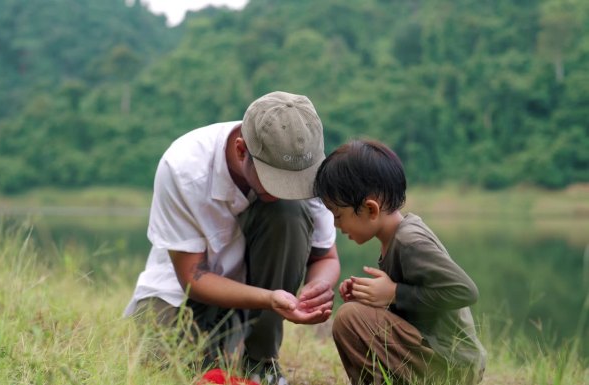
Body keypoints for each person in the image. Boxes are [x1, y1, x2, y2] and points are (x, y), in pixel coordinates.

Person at [123, 91, 340, 385]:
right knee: (166, 368)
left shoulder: (311, 170)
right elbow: (192, 277)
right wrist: (269, 299)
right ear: (241, 151)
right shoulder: (183, 166)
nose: (287, 190)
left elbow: (325, 257)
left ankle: (260, 360)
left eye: (296, 182)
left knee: (288, 211)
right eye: (275, 180)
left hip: (258, 299)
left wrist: (318, 287)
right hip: (184, 292)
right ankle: (220, 346)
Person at [313, 139, 486, 385]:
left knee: (349, 318)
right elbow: (416, 308)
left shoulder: (410, 241)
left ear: (371, 209)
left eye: (338, 216)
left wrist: (394, 293)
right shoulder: (393, 239)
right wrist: (373, 300)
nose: (335, 225)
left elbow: (465, 291)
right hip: (433, 355)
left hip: (454, 366)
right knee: (353, 317)